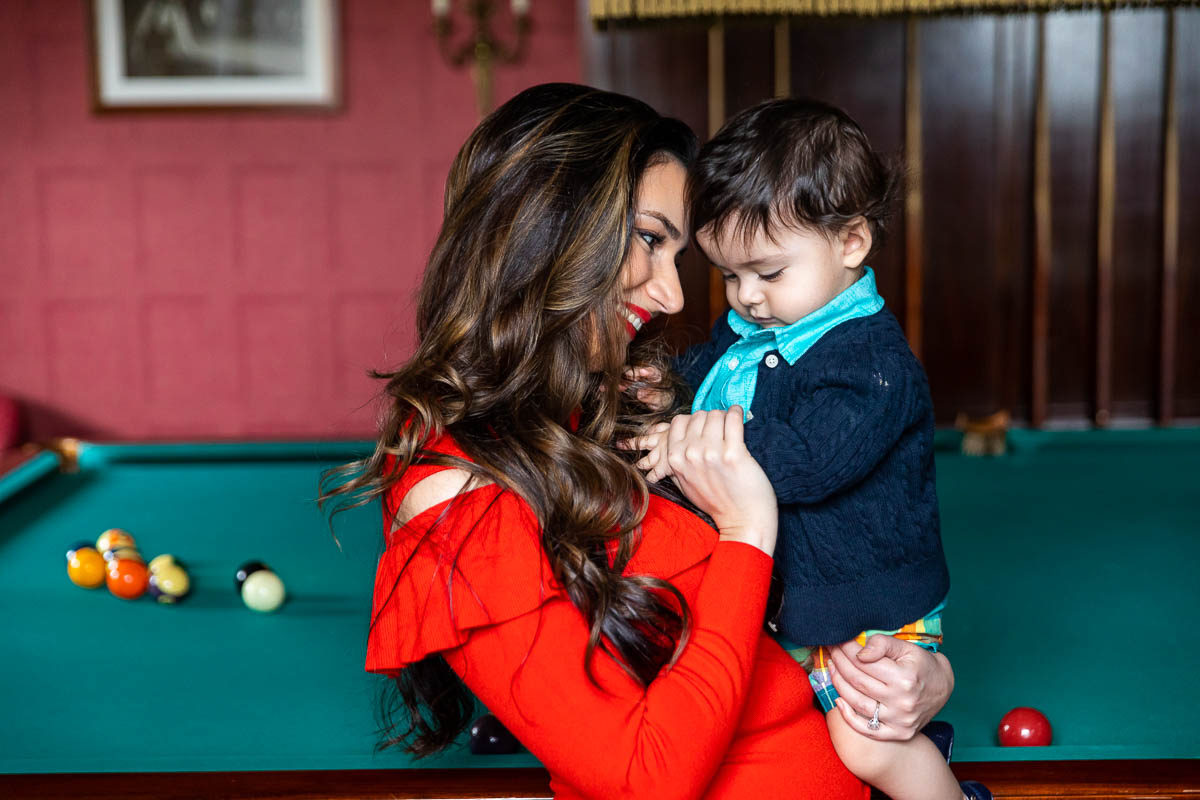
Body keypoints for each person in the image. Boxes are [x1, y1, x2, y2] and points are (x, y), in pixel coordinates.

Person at [321, 83, 954, 800]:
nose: (676, 296)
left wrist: (921, 672)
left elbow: (801, 585)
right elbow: (647, 777)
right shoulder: (451, 486)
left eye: (678, 255)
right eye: (650, 240)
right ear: (549, 227)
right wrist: (748, 530)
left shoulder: (602, 400)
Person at [634, 98, 988, 800]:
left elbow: (809, 459)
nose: (748, 297)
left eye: (767, 273)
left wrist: (692, 443)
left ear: (851, 243)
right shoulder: (750, 327)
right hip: (794, 605)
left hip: (869, 614)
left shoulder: (872, 363)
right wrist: (665, 389)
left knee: (866, 743)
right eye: (730, 276)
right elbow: (711, 368)